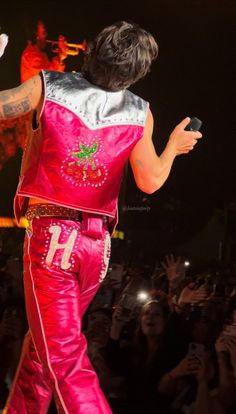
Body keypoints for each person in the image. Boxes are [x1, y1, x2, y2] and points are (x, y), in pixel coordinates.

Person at [0, 20, 202, 414]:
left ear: (92, 50)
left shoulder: (48, 85)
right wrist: (174, 148)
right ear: (139, 71)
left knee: (63, 357)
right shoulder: (140, 113)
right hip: (97, 249)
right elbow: (150, 181)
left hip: (53, 243)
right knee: (44, 352)